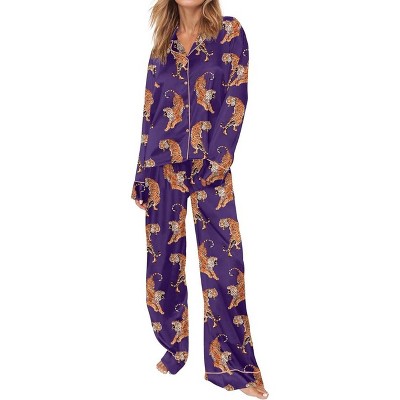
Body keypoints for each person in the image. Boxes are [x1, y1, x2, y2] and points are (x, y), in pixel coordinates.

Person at [131, 1, 269, 398]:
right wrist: (141, 171)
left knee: (225, 266)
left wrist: (216, 162)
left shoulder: (230, 33)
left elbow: (236, 97)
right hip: (162, 166)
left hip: (211, 165)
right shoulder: (162, 46)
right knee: (161, 265)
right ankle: (174, 346)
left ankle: (235, 367)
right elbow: (150, 112)